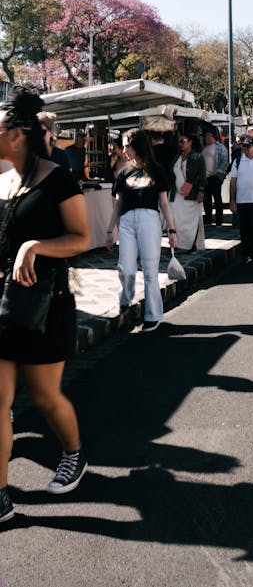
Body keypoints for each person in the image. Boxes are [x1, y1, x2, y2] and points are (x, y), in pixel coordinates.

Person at [0, 87, 91, 522]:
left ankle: (73, 453)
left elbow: (82, 238)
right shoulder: (1, 180)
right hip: (2, 305)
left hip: (45, 305)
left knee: (44, 395)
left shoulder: (58, 178)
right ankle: (0, 497)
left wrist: (35, 245)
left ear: (17, 134)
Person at [106, 128, 177, 333]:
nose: (124, 149)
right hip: (127, 221)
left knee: (150, 270)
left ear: (138, 146)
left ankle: (152, 315)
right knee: (126, 268)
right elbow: (118, 204)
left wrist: (172, 230)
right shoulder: (123, 172)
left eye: (127, 145)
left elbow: (164, 203)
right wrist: (110, 231)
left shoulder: (156, 170)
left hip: (149, 219)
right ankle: (126, 296)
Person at [229, 136, 253, 264]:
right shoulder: (238, 161)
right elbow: (233, 182)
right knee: (244, 229)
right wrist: (232, 200)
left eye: (248, 146)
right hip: (242, 200)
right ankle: (245, 255)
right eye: (243, 146)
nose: (245, 149)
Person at [170, 134, 206, 251]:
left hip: (192, 195)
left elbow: (202, 176)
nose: (180, 144)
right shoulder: (176, 158)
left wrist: (201, 191)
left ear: (190, 142)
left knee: (194, 221)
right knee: (176, 220)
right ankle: (179, 244)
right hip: (177, 195)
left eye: (183, 141)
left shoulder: (198, 157)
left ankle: (193, 245)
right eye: (179, 142)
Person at [202, 130, 228, 226]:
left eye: (207, 136)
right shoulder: (204, 148)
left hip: (215, 177)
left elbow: (225, 161)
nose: (205, 138)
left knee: (217, 199)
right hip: (205, 178)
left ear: (211, 136)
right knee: (206, 200)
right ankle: (208, 219)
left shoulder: (220, 147)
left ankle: (219, 220)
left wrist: (218, 174)